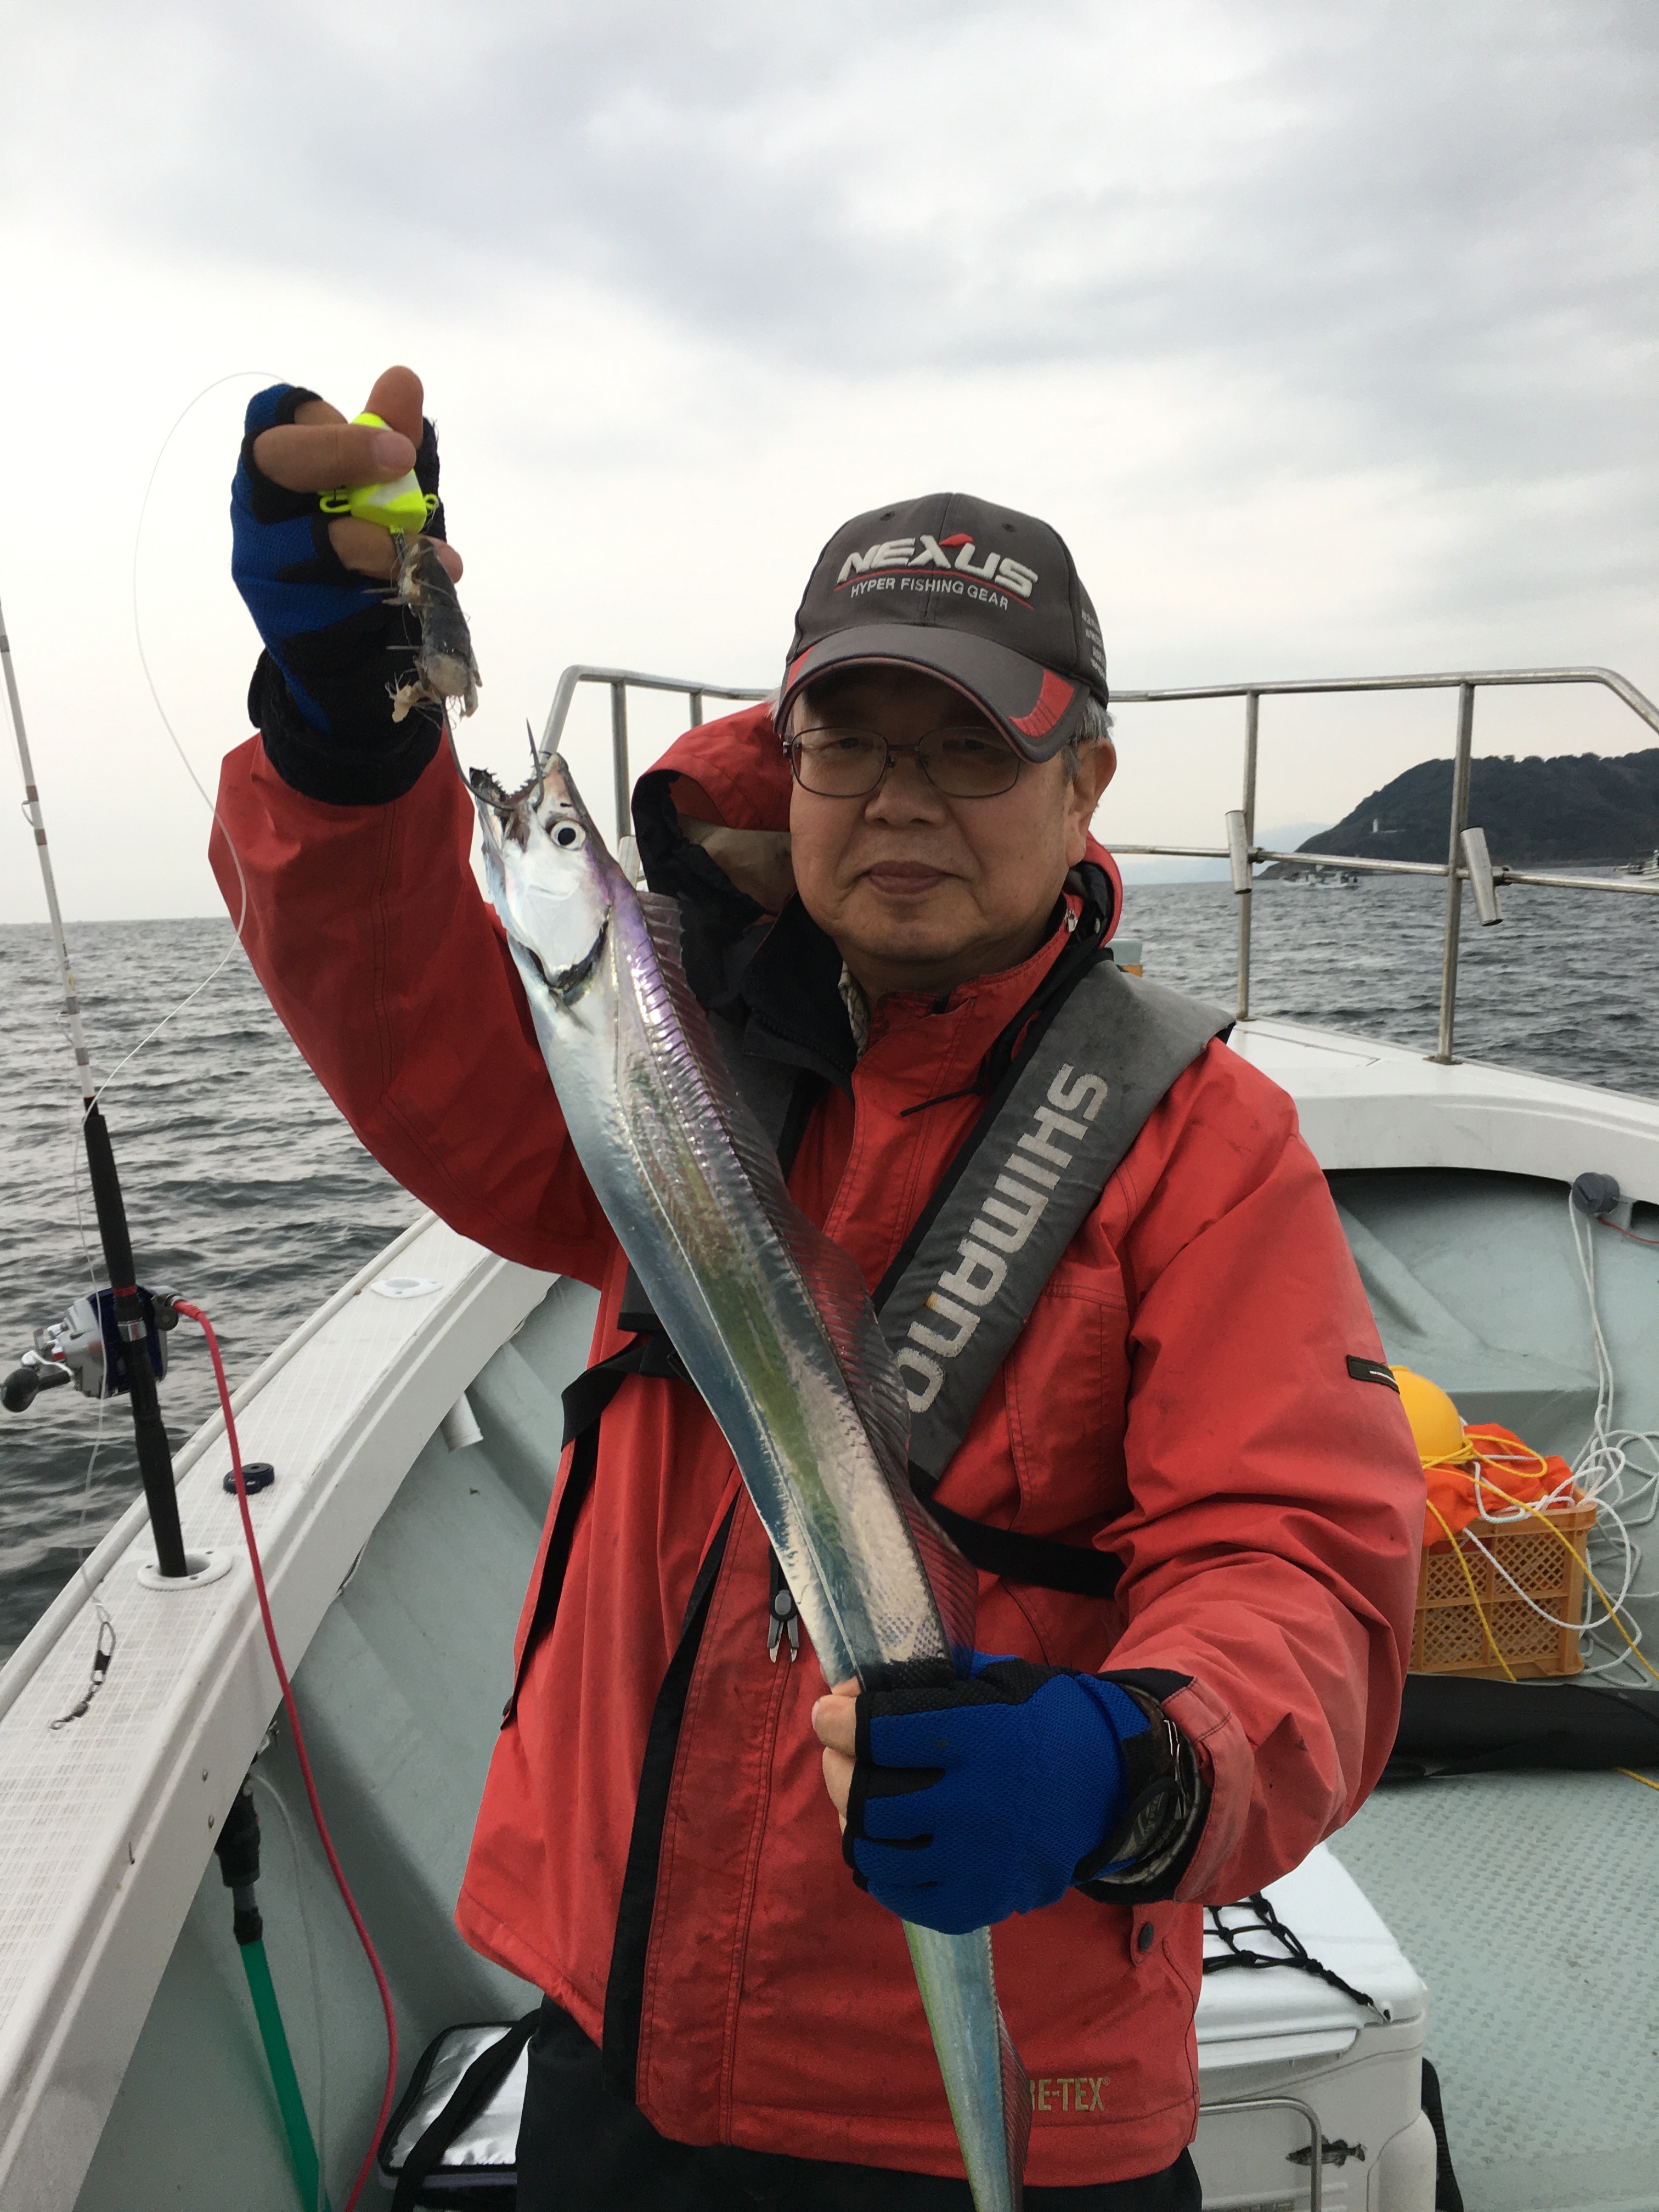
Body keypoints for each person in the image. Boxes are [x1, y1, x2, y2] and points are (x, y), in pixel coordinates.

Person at [218, 366, 1423, 2210]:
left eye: (969, 749)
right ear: (785, 763)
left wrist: (1134, 1766)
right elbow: (422, 1041)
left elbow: (1301, 1567)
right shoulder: (678, 1050)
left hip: (1004, 2107)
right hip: (618, 2025)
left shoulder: (1203, 1147)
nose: (900, 802)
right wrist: (346, 729)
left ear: (1087, 781)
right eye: (850, 744)